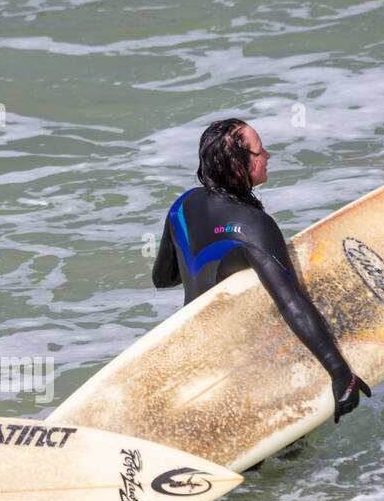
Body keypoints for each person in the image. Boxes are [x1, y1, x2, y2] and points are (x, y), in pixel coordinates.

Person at [151, 118, 370, 423]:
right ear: (237, 166)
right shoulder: (253, 227)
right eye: (259, 151)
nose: (268, 156)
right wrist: (340, 373)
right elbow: (291, 302)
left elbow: (162, 278)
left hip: (193, 361)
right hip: (241, 372)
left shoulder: (182, 206)